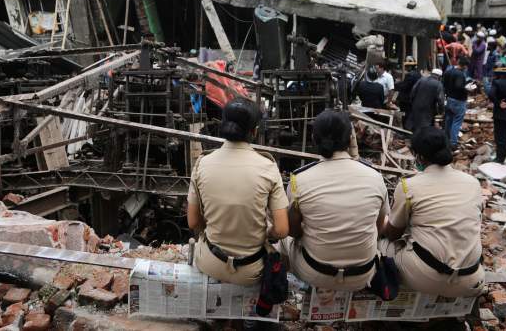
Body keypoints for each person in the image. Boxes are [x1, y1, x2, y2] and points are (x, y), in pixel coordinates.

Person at [278, 110, 388, 291]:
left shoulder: (299, 180)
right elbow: (379, 226)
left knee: (281, 239)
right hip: (363, 275)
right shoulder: (375, 177)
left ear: (314, 139)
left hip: (314, 272)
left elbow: (294, 231)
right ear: (350, 139)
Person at [188, 98, 289, 285]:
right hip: (252, 271)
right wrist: (267, 233)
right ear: (254, 131)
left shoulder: (202, 163)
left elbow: (193, 221)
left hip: (211, 263)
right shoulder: (267, 166)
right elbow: (282, 230)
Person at [378, 127, 484, 297]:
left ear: (418, 155)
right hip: (471, 280)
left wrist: (381, 223)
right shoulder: (472, 182)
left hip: (426, 278)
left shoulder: (408, 186)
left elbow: (393, 234)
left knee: (382, 246)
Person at [442, 57, 470, 150]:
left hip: (449, 98)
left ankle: (446, 139)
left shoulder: (448, 71)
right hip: (458, 100)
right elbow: (458, 86)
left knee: (449, 120)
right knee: (457, 122)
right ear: (465, 66)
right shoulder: (460, 74)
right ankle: (453, 143)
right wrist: (467, 89)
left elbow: (444, 84)